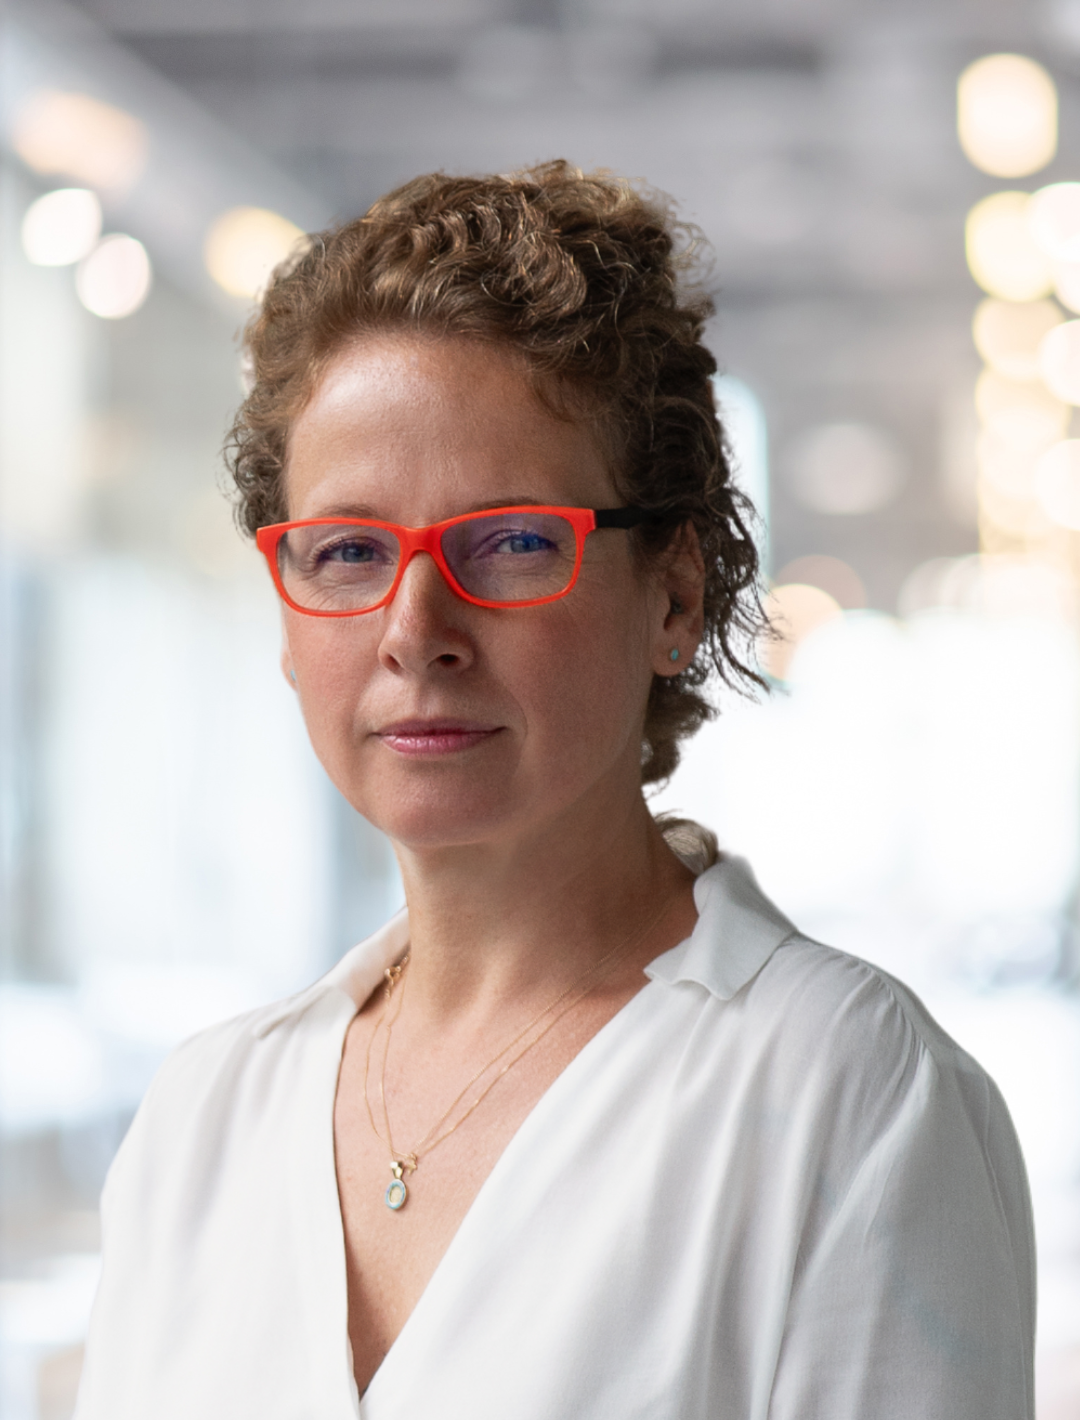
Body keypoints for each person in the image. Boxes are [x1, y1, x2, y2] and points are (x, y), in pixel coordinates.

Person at [74, 162, 1034, 1420]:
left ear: (674, 595)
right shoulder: (204, 1121)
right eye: (352, 550)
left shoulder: (845, 1097)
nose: (416, 629)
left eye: (513, 540)